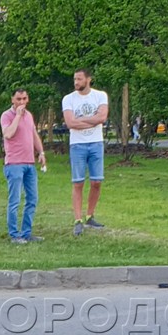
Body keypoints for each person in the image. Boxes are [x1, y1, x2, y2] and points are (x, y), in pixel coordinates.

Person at [62, 68, 109, 237]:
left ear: (88, 79)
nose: (76, 82)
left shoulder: (100, 96)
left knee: (96, 182)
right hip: (77, 145)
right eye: (75, 79)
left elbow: (102, 117)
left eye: (79, 79)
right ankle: (77, 220)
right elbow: (70, 122)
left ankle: (90, 215)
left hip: (95, 143)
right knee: (78, 183)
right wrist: (92, 121)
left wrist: (80, 121)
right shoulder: (68, 99)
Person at [0, 89, 47, 244]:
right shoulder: (7, 116)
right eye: (18, 99)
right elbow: (8, 134)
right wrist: (18, 116)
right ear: (12, 99)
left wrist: (41, 152)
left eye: (24, 98)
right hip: (14, 164)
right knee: (15, 200)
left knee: (32, 199)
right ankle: (14, 234)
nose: (21, 102)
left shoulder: (29, 115)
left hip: (29, 163)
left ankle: (27, 233)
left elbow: (33, 134)